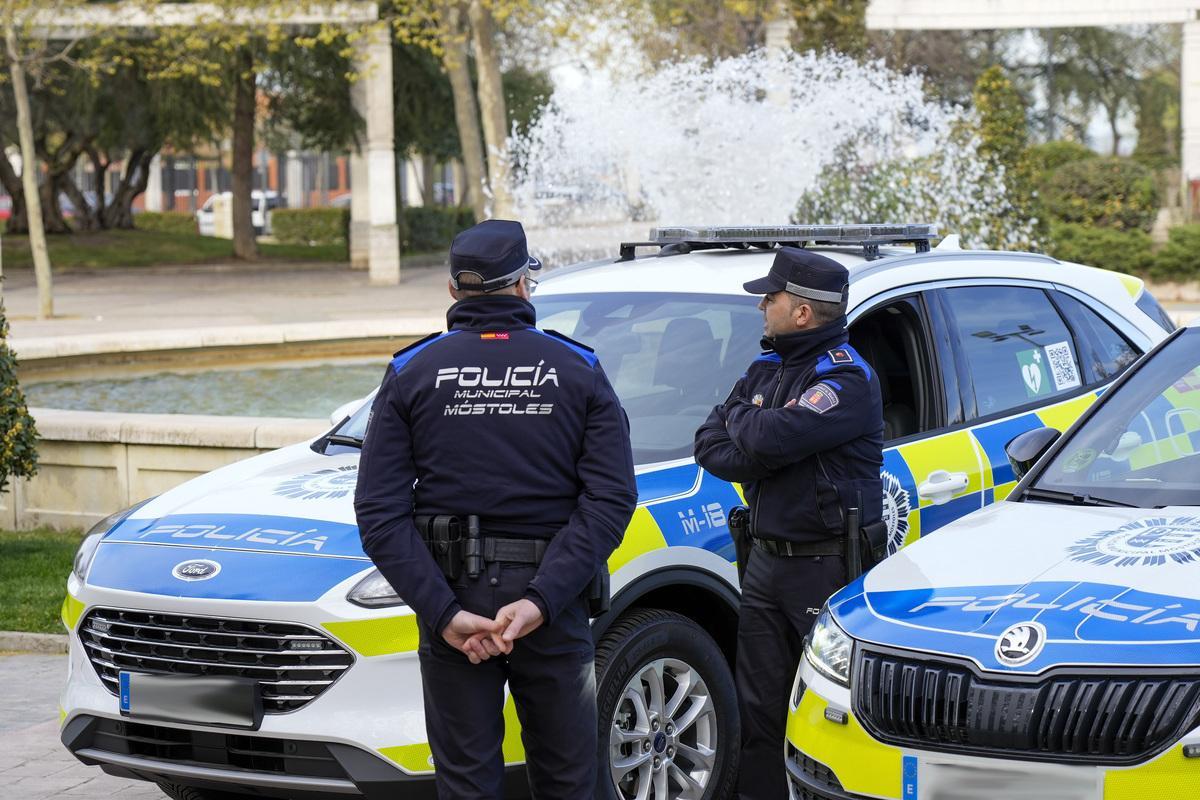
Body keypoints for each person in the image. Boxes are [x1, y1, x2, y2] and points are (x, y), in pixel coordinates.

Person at [354, 219, 637, 799]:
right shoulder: (578, 368)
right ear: (523, 285)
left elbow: (379, 514)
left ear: (455, 291)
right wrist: (539, 601)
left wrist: (444, 613)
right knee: (569, 781)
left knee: (466, 784)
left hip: (454, 602)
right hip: (552, 602)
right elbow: (610, 498)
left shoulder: (412, 370)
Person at [694, 247, 883, 800]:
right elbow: (712, 445)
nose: (761, 307)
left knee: (830, 708)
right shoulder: (765, 367)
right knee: (759, 710)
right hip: (765, 564)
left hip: (823, 567)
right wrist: (758, 431)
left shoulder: (848, 379)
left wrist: (750, 426)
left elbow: (765, 440)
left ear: (801, 312)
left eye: (769, 297)